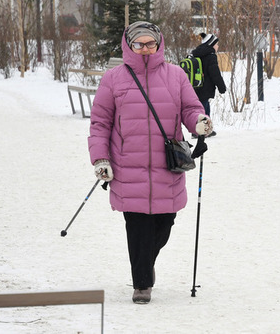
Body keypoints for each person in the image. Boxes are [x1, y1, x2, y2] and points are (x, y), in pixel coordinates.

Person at [88, 21, 213, 304]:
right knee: (137, 227)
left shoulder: (176, 76)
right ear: (128, 45)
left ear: (159, 44)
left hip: (166, 166)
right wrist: (100, 158)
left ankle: (146, 261)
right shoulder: (114, 79)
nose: (145, 50)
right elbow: (100, 123)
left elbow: (190, 109)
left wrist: (199, 122)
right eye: (139, 44)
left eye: (150, 44)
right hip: (127, 167)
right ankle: (142, 282)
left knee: (164, 224)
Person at [190, 32, 227, 137]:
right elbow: (215, 74)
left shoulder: (195, 54)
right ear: (211, 44)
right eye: (216, 44)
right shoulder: (210, 56)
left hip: (194, 87)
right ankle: (204, 131)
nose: (218, 46)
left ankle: (195, 131)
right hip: (205, 88)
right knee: (204, 110)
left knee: (197, 110)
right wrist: (222, 87)